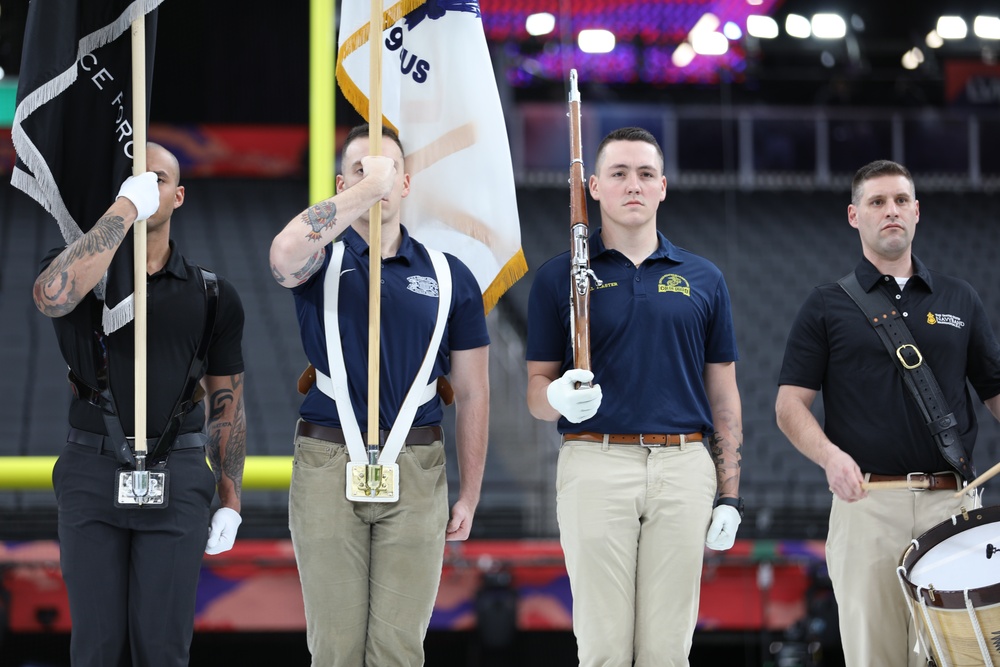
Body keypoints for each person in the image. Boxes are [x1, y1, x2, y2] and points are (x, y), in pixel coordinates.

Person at [269, 123, 490, 666]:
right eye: (362, 171)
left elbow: (474, 390)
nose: (377, 180)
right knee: (334, 651)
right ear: (342, 182)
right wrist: (363, 192)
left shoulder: (450, 275)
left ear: (408, 184)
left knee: (399, 650)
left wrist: (471, 492)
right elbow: (282, 253)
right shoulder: (317, 260)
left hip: (417, 466)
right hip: (327, 461)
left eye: (388, 171)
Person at [525, 126, 744, 667]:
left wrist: (731, 493)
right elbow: (534, 392)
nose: (634, 185)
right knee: (602, 649)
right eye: (619, 173)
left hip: (684, 465)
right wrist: (556, 395)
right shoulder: (560, 278)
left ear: (663, 187)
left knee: (668, 651)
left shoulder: (704, 278)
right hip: (595, 462)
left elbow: (724, 395)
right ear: (593, 186)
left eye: (646, 174)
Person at [775, 159, 1000, 667]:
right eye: (877, 202)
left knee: (960, 657)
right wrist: (830, 458)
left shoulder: (960, 297)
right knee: (875, 658)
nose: (890, 211)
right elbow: (789, 406)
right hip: (868, 507)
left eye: (900, 201)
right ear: (854, 216)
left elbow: (994, 388)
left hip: (953, 504)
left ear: (917, 212)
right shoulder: (826, 305)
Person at [32, 142, 247, 666]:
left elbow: (227, 404)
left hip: (178, 478)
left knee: (164, 651)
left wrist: (231, 497)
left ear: (178, 196)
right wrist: (125, 208)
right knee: (96, 650)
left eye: (158, 178)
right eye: (134, 178)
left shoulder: (213, 295)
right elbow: (53, 296)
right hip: (90, 469)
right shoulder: (78, 272)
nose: (147, 185)